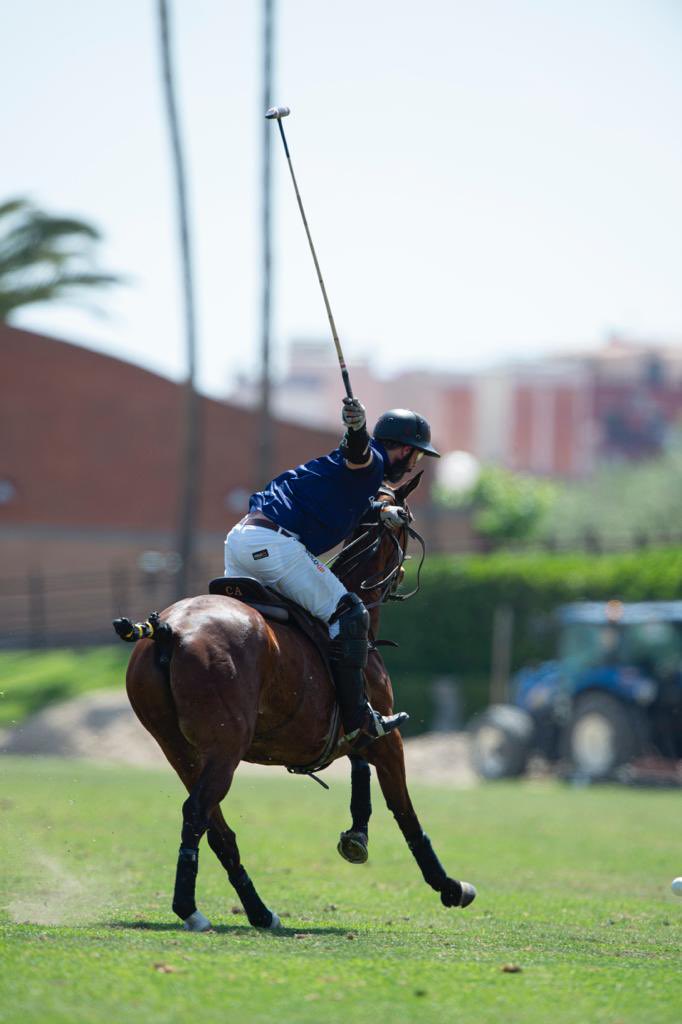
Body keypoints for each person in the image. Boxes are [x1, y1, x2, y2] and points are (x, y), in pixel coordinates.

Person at [224, 399, 440, 752]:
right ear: (401, 450)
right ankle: (358, 719)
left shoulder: (352, 474)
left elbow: (354, 482)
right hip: (276, 546)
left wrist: (381, 510)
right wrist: (356, 428)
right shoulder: (371, 462)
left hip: (240, 540)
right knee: (351, 614)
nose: (414, 464)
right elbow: (360, 455)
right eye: (415, 456)